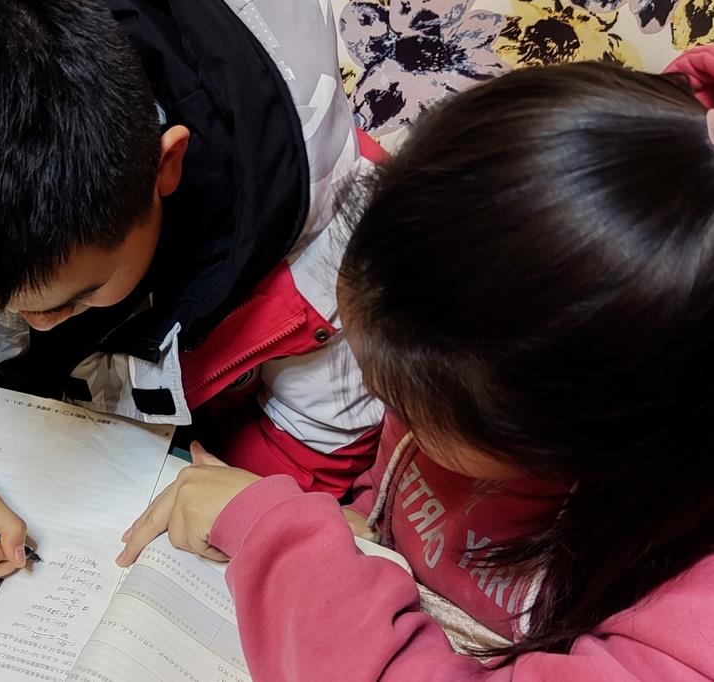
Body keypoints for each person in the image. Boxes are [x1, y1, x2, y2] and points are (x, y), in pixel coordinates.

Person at [119, 50, 714, 679]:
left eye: (409, 409)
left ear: (586, 440)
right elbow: (397, 483)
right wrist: (359, 528)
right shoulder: (645, 192)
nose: (387, 417)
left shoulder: (690, 616)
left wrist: (274, 536)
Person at [0, 0, 385, 589]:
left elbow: (311, 441)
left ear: (166, 165)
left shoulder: (337, 247)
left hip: (191, 464)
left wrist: (217, 508)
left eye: (75, 297)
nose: (37, 324)